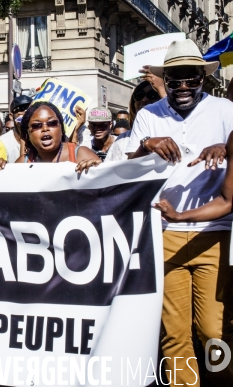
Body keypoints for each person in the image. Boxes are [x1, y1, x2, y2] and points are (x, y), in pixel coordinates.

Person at [126, 39, 233, 385]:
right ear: (164, 80)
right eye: (175, 80)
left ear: (204, 77)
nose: (184, 86)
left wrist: (225, 147)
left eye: (192, 79)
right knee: (174, 337)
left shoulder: (225, 111)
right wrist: (147, 144)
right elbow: (126, 171)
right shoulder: (148, 116)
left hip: (215, 233)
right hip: (162, 236)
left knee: (214, 332)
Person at [15, 101, 100, 173]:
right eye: (37, 125)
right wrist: (1, 168)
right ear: (27, 133)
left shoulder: (81, 154)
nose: (45, 128)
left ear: (62, 129)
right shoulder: (22, 164)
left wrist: (97, 169)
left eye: (52, 123)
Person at [0, 95, 31, 163]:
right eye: (20, 109)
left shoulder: (38, 140)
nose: (25, 113)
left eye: (29, 110)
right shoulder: (2, 143)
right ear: (11, 116)